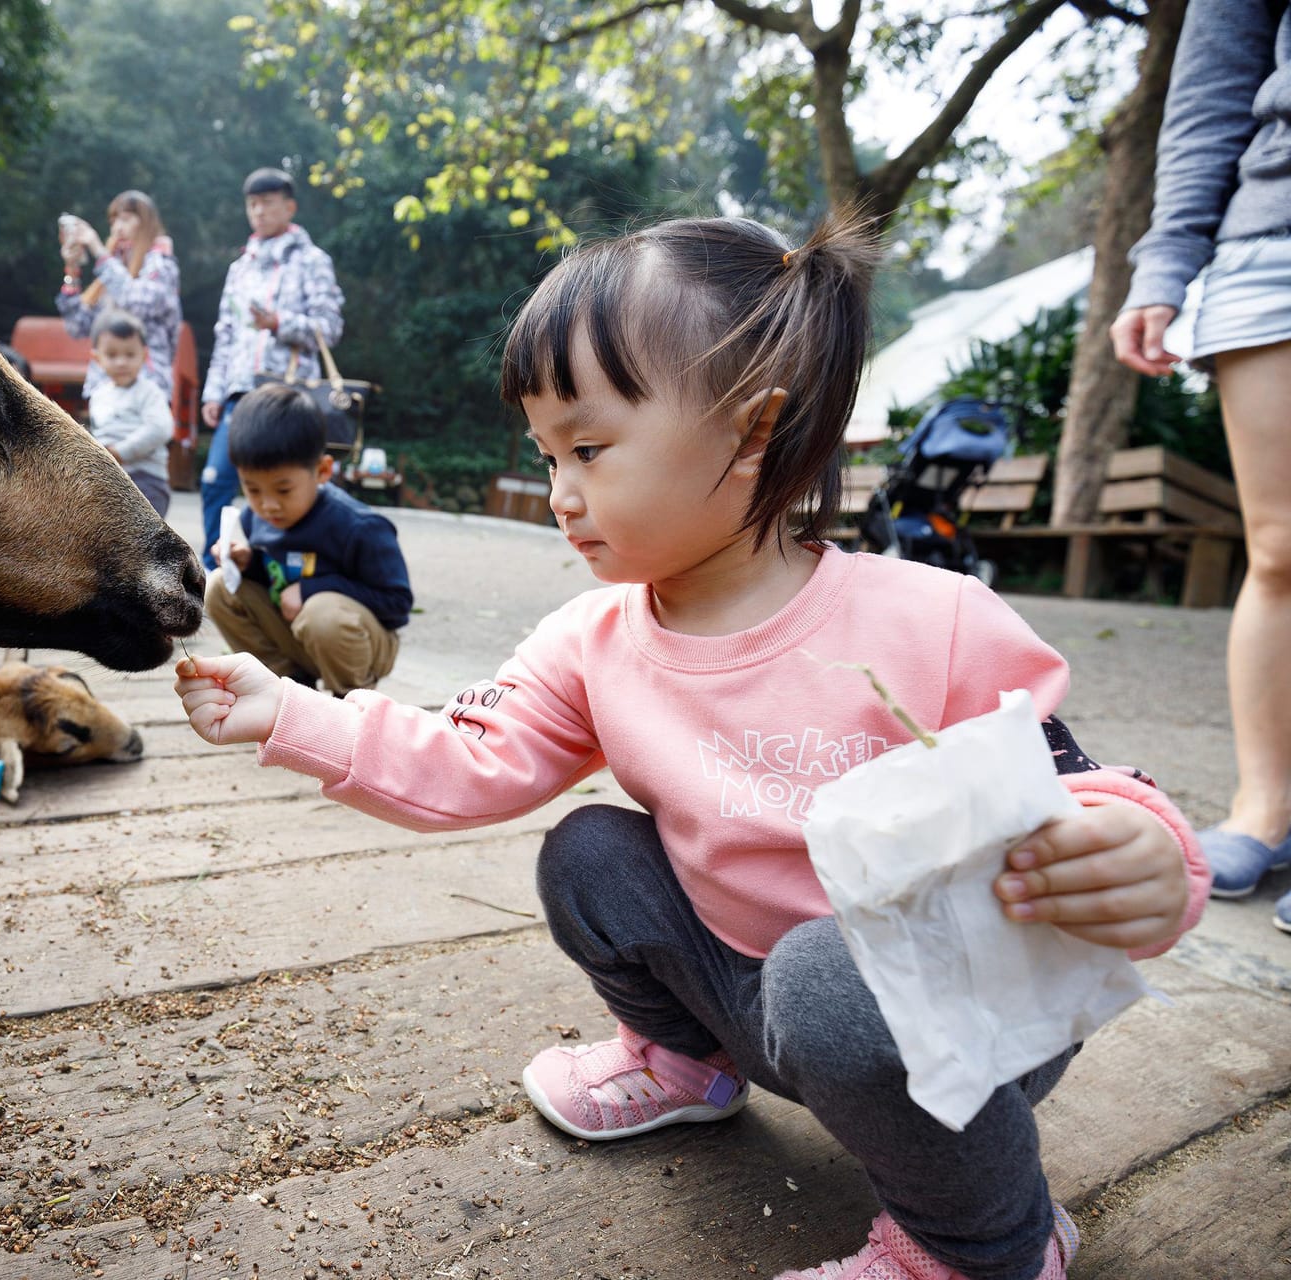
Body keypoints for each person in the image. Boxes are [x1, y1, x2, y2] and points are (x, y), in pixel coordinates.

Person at [176, 214, 1209, 1280]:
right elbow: (466, 757)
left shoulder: (930, 620)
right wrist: (290, 712)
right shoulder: (594, 639)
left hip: (952, 1025)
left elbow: (1079, 787)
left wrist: (1142, 853)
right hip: (751, 996)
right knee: (588, 853)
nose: (561, 493)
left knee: (822, 975)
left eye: (588, 449)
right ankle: (688, 1065)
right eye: (547, 455)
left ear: (753, 432)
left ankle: (985, 1244)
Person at [1111, 0, 1291, 935]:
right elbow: (1214, 80)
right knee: (1281, 549)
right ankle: (1266, 809)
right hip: (1274, 234)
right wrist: (1165, 262)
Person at [204, 383, 409, 696]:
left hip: (359, 645)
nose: (268, 505)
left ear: (323, 470)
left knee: (321, 614)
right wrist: (248, 564)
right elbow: (276, 576)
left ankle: (352, 704)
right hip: (299, 638)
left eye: (283, 490)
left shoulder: (359, 527)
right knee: (219, 587)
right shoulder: (256, 517)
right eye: (253, 489)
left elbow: (397, 604)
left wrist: (313, 589)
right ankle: (290, 689)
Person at [198, 167, 346, 571]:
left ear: (289, 207)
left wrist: (278, 323)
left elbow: (330, 328)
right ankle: (214, 573)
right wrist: (214, 392)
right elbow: (225, 335)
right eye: (252, 204)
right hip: (239, 392)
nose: (258, 211)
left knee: (287, 484)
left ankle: (287, 571)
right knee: (216, 480)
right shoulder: (239, 268)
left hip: (289, 395)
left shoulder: (313, 261)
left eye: (267, 202)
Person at [57, 190, 181, 399]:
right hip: (104, 386)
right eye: (113, 221)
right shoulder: (112, 268)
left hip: (147, 385)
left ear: (146, 223)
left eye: (125, 219)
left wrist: (99, 251)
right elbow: (77, 327)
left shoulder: (161, 263)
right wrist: (72, 269)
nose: (117, 228)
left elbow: (138, 303)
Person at [86, 310, 175, 516]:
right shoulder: (98, 396)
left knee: (143, 533)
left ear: (144, 355)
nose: (121, 362)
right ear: (97, 358)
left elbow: (160, 428)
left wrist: (120, 452)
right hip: (109, 478)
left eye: (130, 355)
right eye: (112, 355)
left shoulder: (149, 392)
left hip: (146, 479)